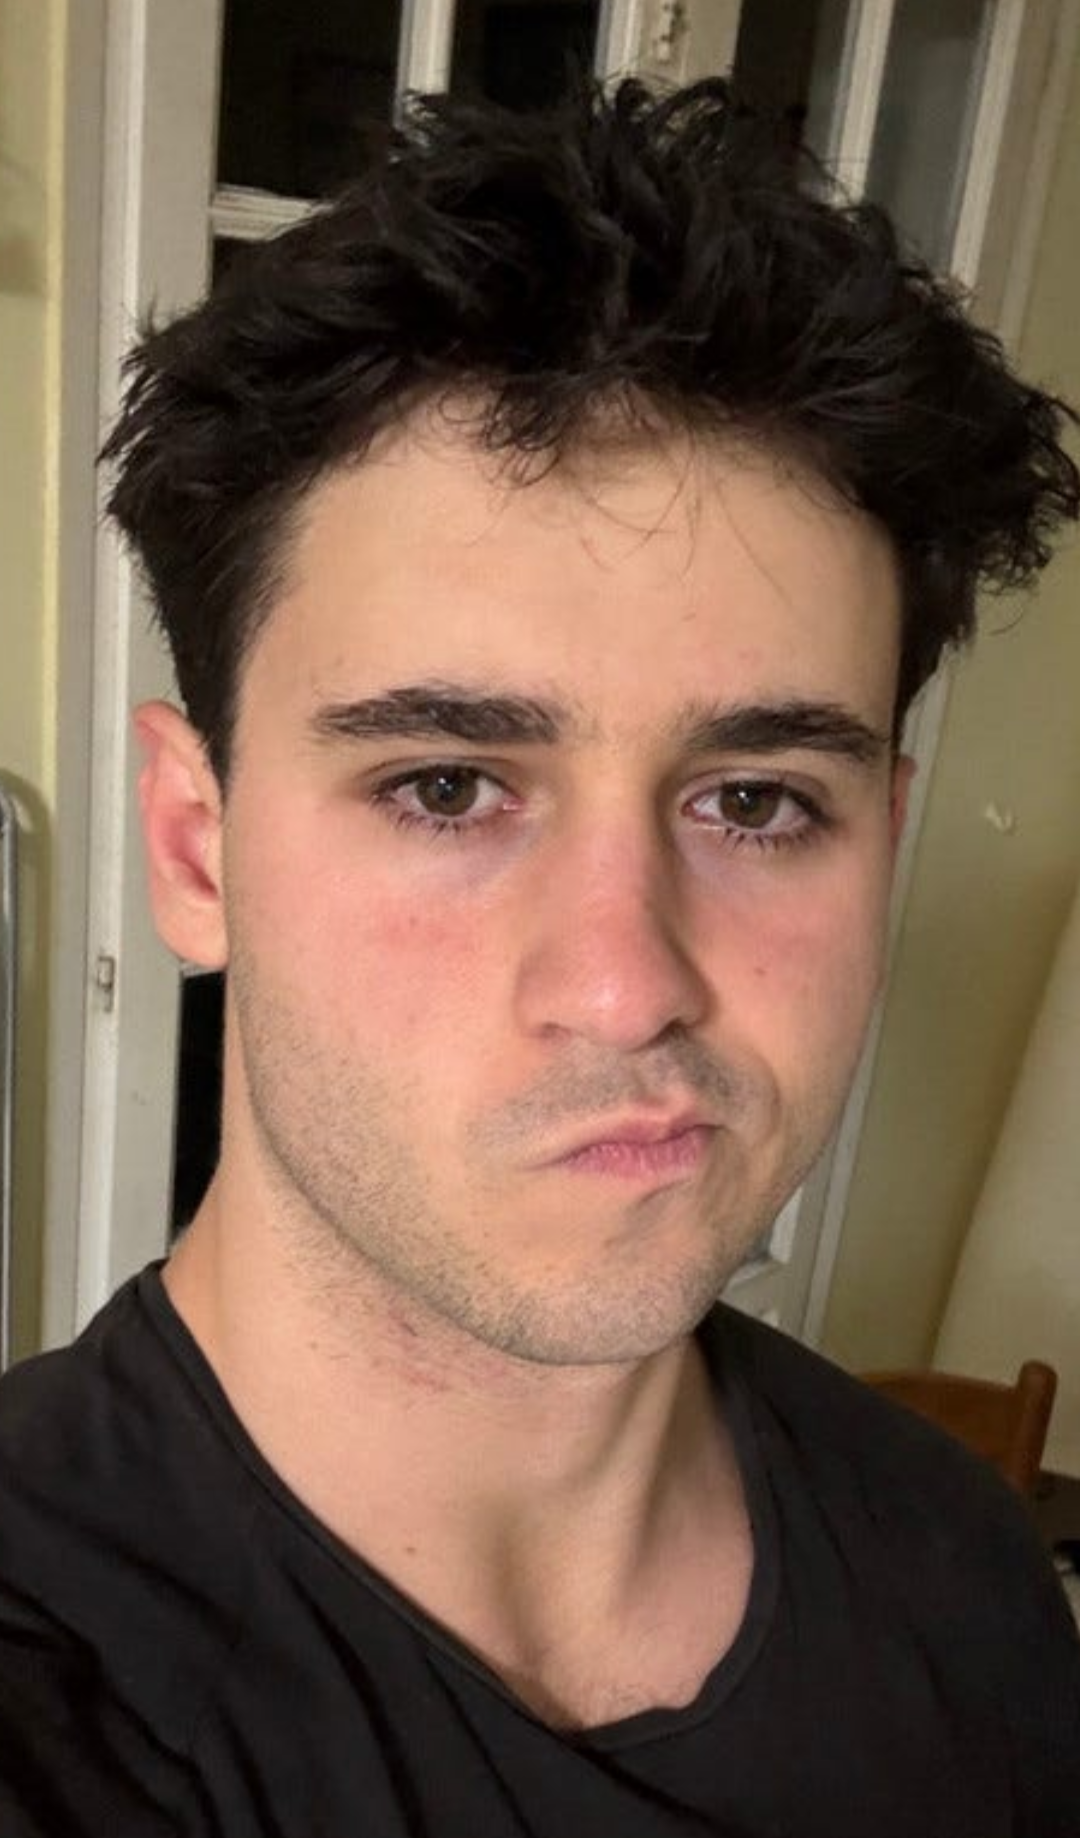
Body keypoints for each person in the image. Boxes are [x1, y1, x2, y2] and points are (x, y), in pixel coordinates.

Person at [1, 77, 1078, 1837]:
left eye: (755, 801)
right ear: (196, 847)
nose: (625, 982)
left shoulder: (967, 1576)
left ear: (882, 839)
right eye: (447, 786)